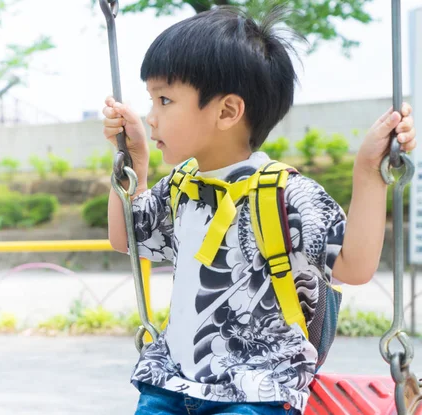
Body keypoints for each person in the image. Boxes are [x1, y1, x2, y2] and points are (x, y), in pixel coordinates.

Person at [102, 5, 417, 415]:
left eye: (164, 99)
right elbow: (124, 236)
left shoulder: (286, 193)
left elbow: (354, 266)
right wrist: (135, 165)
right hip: (171, 383)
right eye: (151, 100)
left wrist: (369, 173)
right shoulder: (180, 188)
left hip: (256, 389)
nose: (151, 117)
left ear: (228, 111)